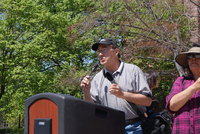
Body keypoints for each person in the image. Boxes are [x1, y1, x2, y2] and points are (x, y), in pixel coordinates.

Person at [80, 38, 152, 134]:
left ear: (116, 51)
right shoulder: (97, 78)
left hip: (134, 128)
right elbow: (91, 109)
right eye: (99, 51)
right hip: (108, 128)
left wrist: (122, 94)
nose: (100, 54)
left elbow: (147, 101)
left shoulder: (133, 70)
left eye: (104, 50)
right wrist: (86, 92)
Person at [166, 43, 200, 134]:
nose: (193, 59)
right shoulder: (180, 81)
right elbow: (172, 106)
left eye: (197, 55)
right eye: (189, 56)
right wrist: (195, 87)